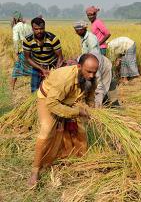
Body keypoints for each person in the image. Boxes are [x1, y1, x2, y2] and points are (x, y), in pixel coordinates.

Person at [28, 53, 99, 187]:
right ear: (79, 67)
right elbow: (52, 103)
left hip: (71, 100)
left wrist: (91, 109)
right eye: (88, 71)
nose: (92, 75)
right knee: (47, 130)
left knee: (81, 128)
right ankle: (35, 170)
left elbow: (90, 96)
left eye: (94, 72)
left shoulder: (92, 77)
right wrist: (76, 112)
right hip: (48, 99)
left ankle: (75, 157)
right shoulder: (64, 78)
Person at [23, 17, 64, 92]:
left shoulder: (53, 39)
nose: (39, 31)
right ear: (32, 29)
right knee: (34, 89)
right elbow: (28, 58)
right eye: (36, 29)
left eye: (41, 28)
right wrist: (42, 69)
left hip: (52, 65)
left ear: (44, 27)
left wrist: (55, 71)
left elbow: (60, 57)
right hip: (37, 65)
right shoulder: (27, 40)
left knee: (54, 89)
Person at [10, 11, 33, 90]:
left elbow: (16, 40)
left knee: (16, 68)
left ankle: (12, 88)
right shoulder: (29, 26)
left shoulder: (16, 27)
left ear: (15, 19)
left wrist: (16, 52)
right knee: (32, 68)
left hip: (22, 51)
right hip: (31, 51)